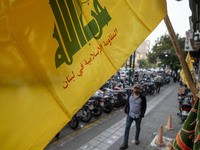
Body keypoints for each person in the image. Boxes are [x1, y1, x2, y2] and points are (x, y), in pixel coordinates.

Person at [119, 84, 147, 150]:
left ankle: (136, 138)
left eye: (137, 88)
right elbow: (127, 102)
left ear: (139, 89)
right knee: (127, 128)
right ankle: (125, 143)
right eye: (135, 88)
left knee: (137, 127)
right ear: (133, 89)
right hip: (130, 115)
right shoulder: (130, 95)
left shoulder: (142, 97)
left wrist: (142, 114)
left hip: (138, 116)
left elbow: (144, 106)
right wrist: (126, 109)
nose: (136, 89)